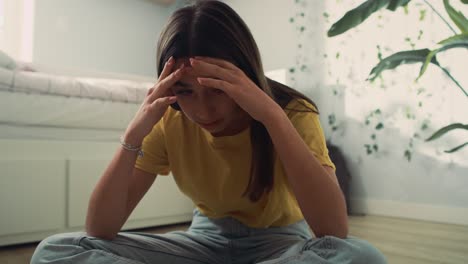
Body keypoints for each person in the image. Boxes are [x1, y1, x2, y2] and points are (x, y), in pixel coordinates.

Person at [31, 1, 387, 263]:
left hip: (280, 245)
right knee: (57, 250)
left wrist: (272, 117)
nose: (202, 110)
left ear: (244, 75)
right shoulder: (170, 119)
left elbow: (334, 230)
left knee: (361, 257)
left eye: (217, 89)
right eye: (185, 92)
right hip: (203, 243)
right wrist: (133, 134)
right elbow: (99, 229)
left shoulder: (293, 113)